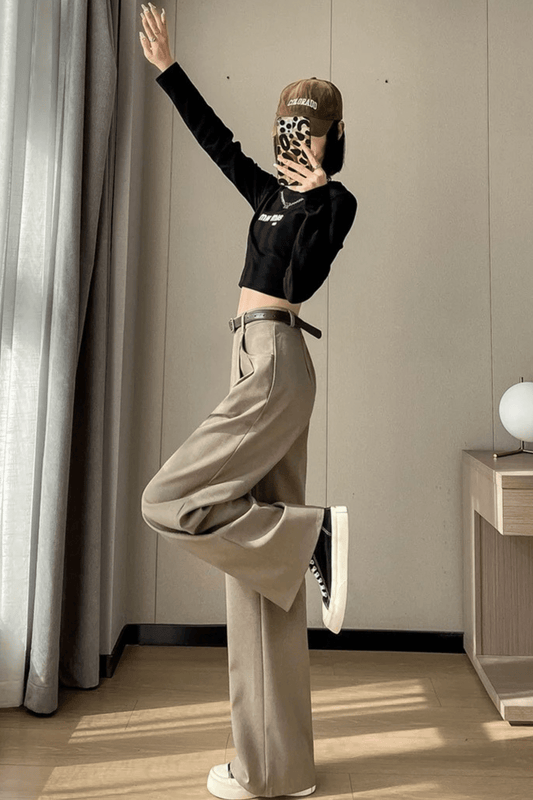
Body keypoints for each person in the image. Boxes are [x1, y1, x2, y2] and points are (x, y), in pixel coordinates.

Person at [138, 4, 357, 799]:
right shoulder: (263, 190)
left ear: (332, 137)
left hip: (274, 360)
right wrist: (169, 72)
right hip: (252, 358)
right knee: (265, 579)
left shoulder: (333, 204)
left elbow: (304, 278)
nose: (298, 140)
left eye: (311, 130)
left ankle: (313, 533)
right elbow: (215, 142)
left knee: (168, 500)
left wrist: (318, 199)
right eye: (289, 127)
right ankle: (277, 770)